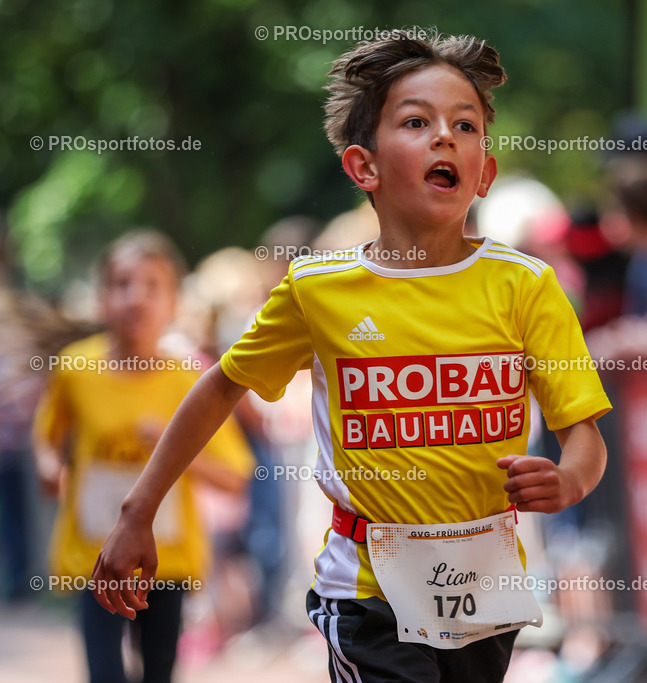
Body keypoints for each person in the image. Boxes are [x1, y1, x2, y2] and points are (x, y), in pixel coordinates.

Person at [92, 31, 611, 683]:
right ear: (364, 167)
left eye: (465, 124)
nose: (444, 136)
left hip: (483, 587)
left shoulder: (528, 286)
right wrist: (138, 510)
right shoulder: (318, 291)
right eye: (417, 121)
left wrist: (571, 480)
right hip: (366, 590)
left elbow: (584, 436)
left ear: (484, 170)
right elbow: (220, 386)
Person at [34, 230, 254, 683]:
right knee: (105, 674)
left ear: (174, 302)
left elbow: (235, 476)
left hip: (164, 562)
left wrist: (172, 454)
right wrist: (49, 467)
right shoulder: (75, 371)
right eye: (121, 284)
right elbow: (47, 439)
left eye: (152, 286)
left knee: (158, 674)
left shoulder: (190, 381)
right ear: (102, 298)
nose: (136, 298)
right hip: (95, 557)